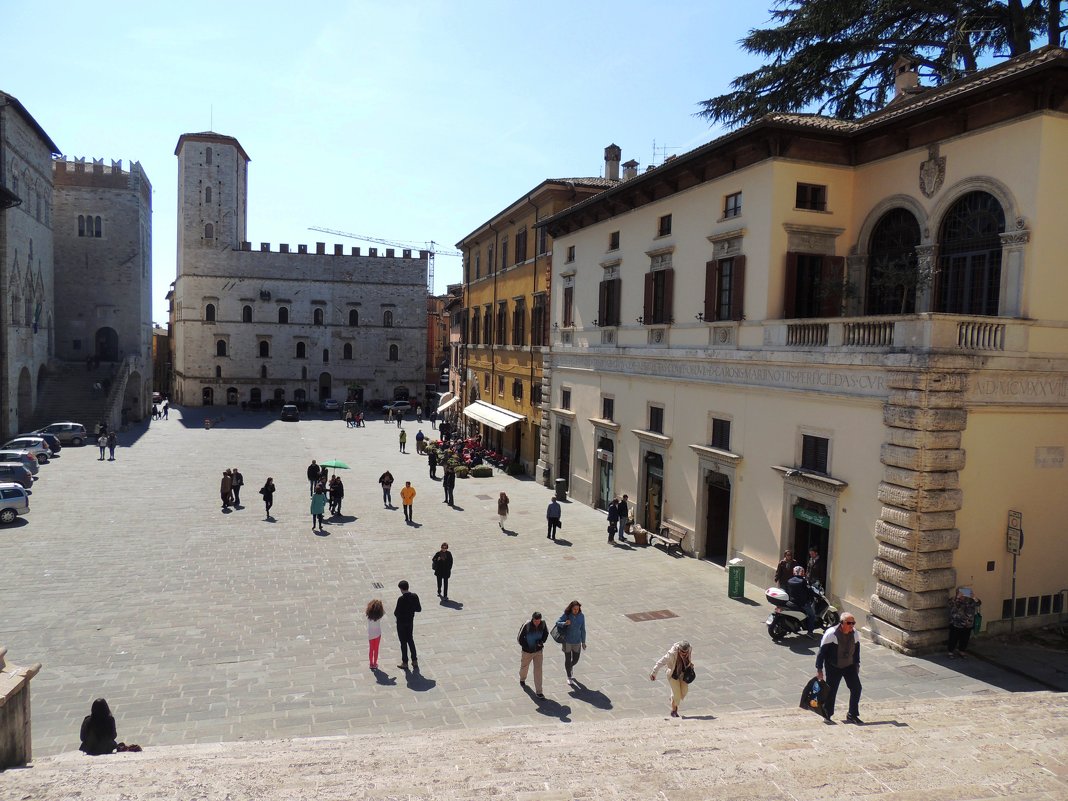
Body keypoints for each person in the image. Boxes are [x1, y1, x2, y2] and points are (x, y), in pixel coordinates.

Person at [815, 613, 862, 724]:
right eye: (849, 623)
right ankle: (827, 714)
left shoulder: (855, 634)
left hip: (849, 666)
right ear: (842, 623)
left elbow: (856, 651)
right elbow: (821, 653)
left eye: (853, 623)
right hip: (833, 667)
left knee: (856, 688)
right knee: (831, 691)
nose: (851, 625)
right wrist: (819, 669)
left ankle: (852, 714)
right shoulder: (831, 634)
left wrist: (857, 665)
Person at [650, 640, 694, 718]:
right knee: (677, 695)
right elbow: (660, 662)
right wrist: (654, 673)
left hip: (683, 673)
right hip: (673, 673)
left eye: (686, 652)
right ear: (679, 650)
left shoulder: (689, 648)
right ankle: (674, 710)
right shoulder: (671, 654)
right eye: (682, 652)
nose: (684, 654)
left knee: (684, 691)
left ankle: (673, 698)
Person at [517, 611, 548, 698]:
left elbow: (546, 634)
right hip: (527, 652)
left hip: (538, 652)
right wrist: (527, 647)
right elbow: (519, 638)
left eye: (538, 621)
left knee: (538, 670)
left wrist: (541, 641)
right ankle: (522, 678)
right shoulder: (527, 625)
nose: (537, 623)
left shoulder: (543, 624)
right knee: (524, 667)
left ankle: (539, 691)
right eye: (535, 621)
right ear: (532, 619)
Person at [556, 600, 587, 687]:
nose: (576, 611)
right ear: (571, 608)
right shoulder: (567, 615)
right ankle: (569, 676)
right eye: (574, 609)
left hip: (577, 641)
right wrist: (564, 623)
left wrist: (583, 641)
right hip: (567, 641)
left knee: (576, 659)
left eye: (577, 609)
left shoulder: (581, 616)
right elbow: (557, 622)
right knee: (568, 658)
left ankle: (569, 667)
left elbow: (583, 629)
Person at [394, 580, 422, 670]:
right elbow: (419, 609)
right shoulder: (414, 596)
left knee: (403, 642)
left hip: (401, 623)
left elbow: (396, 612)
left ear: (401, 589)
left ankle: (405, 662)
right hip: (410, 621)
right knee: (410, 640)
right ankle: (414, 660)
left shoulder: (401, 599)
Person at [948, 588, 982, 658]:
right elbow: (950, 604)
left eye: (964, 592)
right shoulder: (954, 599)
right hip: (956, 623)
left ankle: (962, 651)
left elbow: (978, 603)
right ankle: (950, 652)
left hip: (967, 624)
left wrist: (974, 597)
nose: (963, 594)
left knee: (965, 639)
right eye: (961, 592)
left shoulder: (970, 600)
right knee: (953, 638)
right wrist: (957, 597)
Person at [787, 566, 818, 636]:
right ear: (802, 572)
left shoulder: (790, 580)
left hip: (792, 601)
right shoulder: (803, 581)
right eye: (803, 572)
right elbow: (809, 590)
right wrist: (813, 595)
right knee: (812, 615)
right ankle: (810, 632)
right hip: (802, 603)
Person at [366, 599, 384, 670]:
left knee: (371, 649)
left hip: (370, 634)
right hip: (377, 634)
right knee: (376, 649)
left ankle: (371, 663)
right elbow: (383, 612)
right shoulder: (379, 617)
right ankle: (375, 663)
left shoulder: (368, 616)